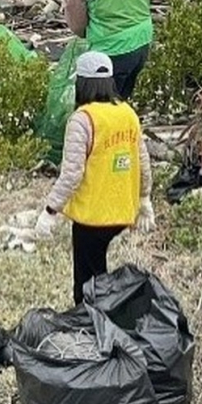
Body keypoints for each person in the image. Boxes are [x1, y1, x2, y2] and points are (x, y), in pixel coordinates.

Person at [35, 51, 155, 305]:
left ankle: (90, 326)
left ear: (82, 83)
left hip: (93, 217)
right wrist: (145, 198)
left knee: (87, 282)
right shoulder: (127, 113)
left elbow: (71, 174)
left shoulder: (83, 119)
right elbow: (142, 162)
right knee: (102, 273)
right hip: (123, 212)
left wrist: (50, 211)